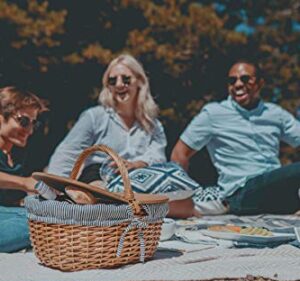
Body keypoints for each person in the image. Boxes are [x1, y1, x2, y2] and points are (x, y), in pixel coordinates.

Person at [171, 59, 300, 215]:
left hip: (274, 190)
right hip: (240, 193)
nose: (238, 84)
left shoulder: (275, 114)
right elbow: (180, 153)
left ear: (260, 83)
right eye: (232, 81)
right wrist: (181, 195)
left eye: (245, 79)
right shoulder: (213, 114)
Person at [48, 54, 167, 183]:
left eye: (126, 79)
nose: (119, 85)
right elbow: (67, 154)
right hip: (99, 180)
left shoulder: (153, 124)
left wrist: (138, 164)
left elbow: (158, 157)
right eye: (112, 81)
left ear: (139, 81)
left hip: (140, 182)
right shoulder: (94, 117)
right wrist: (54, 188)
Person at [0, 86, 47, 252]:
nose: (29, 130)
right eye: (23, 121)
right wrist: (24, 183)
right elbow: (24, 183)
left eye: (34, 123)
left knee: (50, 216)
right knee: (42, 227)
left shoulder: (15, 154)